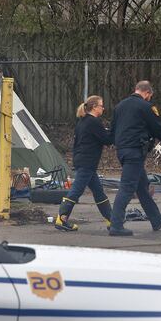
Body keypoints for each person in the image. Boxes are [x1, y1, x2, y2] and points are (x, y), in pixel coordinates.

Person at [108, 80, 161, 236]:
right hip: (135, 152)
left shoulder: (120, 106)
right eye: (150, 96)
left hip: (122, 151)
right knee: (127, 188)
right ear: (148, 93)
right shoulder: (146, 107)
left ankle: (156, 219)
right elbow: (158, 129)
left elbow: (112, 131)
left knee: (142, 187)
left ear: (136, 89)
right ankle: (116, 225)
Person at [55, 95, 115, 231]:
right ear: (94, 107)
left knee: (99, 192)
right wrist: (116, 130)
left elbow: (77, 143)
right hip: (87, 162)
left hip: (84, 161)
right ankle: (62, 218)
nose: (103, 108)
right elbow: (106, 139)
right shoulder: (94, 122)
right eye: (101, 106)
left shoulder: (83, 121)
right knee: (76, 190)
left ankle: (111, 220)